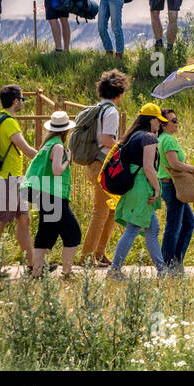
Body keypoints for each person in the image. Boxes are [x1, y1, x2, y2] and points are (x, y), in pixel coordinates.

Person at [0, 84, 36, 278]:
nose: (22, 103)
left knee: (24, 219)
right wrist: (46, 157)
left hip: (12, 179)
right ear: (15, 100)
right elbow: (25, 149)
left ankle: (32, 266)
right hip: (8, 179)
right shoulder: (10, 122)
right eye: (21, 99)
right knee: (0, 221)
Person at [110, 103, 168, 279]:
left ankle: (162, 269)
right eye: (159, 121)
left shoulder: (133, 136)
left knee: (152, 228)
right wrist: (157, 189)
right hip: (142, 187)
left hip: (133, 186)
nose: (160, 124)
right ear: (151, 120)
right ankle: (114, 270)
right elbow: (149, 167)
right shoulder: (149, 138)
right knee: (133, 228)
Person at [22, 110, 80, 277]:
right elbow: (56, 171)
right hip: (51, 193)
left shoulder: (47, 144)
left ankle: (37, 273)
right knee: (73, 232)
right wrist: (68, 160)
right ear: (66, 130)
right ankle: (67, 273)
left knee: (47, 231)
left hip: (39, 190)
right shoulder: (58, 146)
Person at [79, 69, 128, 267]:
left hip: (94, 164)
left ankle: (99, 252)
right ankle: (87, 256)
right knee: (100, 211)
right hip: (102, 165)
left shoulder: (98, 108)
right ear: (119, 91)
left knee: (110, 210)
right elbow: (106, 139)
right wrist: (122, 145)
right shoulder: (111, 112)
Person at [156, 107, 194, 275]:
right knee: (174, 225)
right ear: (163, 124)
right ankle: (168, 263)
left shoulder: (163, 138)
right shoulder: (167, 140)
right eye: (173, 120)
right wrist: (193, 169)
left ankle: (175, 260)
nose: (177, 123)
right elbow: (174, 163)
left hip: (168, 184)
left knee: (187, 222)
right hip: (172, 185)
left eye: (177, 119)